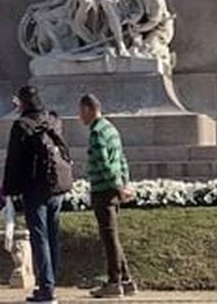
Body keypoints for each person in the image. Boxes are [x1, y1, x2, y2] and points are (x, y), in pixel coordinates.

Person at [2, 85, 71, 304]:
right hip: (56, 186)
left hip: (34, 188)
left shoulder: (21, 125)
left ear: (23, 103)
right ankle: (51, 283)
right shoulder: (53, 120)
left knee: (39, 237)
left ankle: (46, 289)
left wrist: (9, 190)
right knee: (52, 235)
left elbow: (13, 161)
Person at [79, 94, 137, 299]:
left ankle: (114, 282)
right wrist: (124, 183)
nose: (80, 117)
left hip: (103, 190)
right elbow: (121, 159)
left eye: (80, 111)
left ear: (88, 109)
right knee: (112, 236)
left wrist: (118, 186)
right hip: (113, 189)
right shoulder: (111, 129)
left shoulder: (96, 132)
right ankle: (126, 280)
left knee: (109, 237)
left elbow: (104, 164)